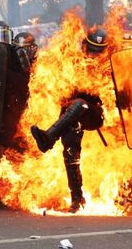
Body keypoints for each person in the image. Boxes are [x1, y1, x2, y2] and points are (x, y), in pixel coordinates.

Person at [31, 28, 107, 213]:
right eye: (92, 50)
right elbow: (61, 91)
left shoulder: (110, 66)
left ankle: (49, 137)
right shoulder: (72, 64)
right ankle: (77, 199)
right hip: (73, 115)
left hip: (96, 114)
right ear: (84, 47)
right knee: (71, 150)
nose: (95, 55)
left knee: (81, 104)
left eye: (99, 51)